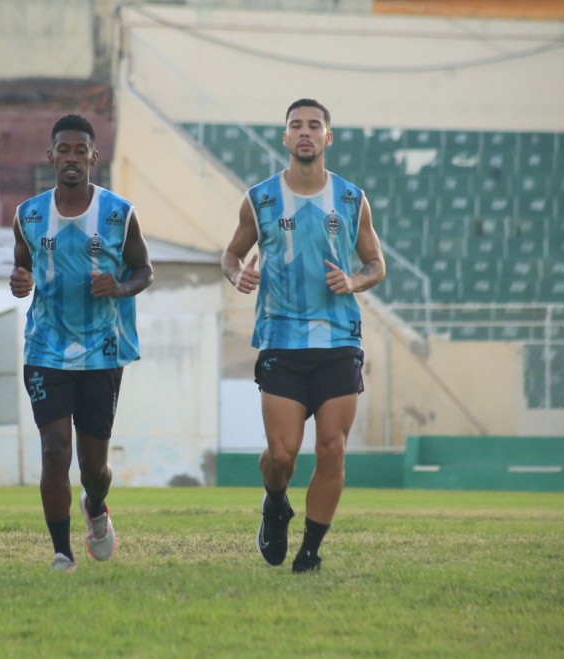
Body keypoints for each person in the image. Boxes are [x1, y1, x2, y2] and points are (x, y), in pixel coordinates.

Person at [222, 98, 385, 574]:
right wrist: (238, 276)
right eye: (297, 126)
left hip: (338, 340)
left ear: (328, 138)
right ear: (286, 138)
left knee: (332, 446)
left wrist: (354, 281)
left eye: (315, 125)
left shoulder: (352, 199)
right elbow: (231, 254)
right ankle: (275, 504)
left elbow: (376, 264)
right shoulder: (261, 198)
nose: (306, 132)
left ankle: (311, 550)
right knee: (282, 453)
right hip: (281, 340)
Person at [9, 114, 154, 571]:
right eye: (63, 149)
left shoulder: (118, 213)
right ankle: (61, 552)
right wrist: (20, 281)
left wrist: (120, 286)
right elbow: (22, 269)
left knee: (93, 467)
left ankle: (95, 507)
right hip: (45, 348)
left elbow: (144, 271)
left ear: (94, 157)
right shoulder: (29, 215)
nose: (72, 158)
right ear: (50, 156)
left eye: (80, 150)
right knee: (54, 450)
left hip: (102, 350)